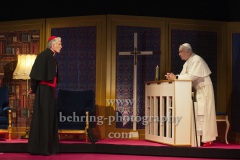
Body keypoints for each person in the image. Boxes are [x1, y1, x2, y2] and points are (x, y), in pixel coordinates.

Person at [165, 43, 218, 147]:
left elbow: (191, 77)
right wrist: (173, 77)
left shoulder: (197, 60)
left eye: (181, 52)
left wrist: (175, 77)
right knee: (198, 113)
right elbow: (183, 75)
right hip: (197, 90)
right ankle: (199, 137)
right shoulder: (187, 62)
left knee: (203, 113)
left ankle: (208, 139)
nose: (179, 54)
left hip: (204, 90)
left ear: (188, 52)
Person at [27, 36, 62, 155]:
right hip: (44, 91)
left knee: (50, 117)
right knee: (44, 117)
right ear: (53, 45)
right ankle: (42, 148)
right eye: (59, 44)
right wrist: (33, 88)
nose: (61, 46)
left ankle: (50, 147)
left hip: (50, 91)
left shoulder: (51, 57)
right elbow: (35, 75)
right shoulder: (43, 55)